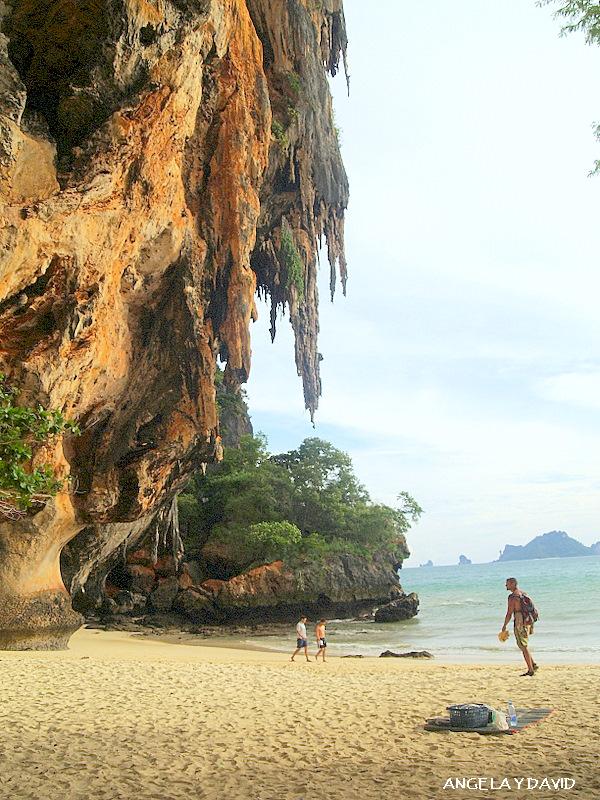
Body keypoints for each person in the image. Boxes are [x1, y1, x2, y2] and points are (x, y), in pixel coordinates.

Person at [501, 577, 538, 676]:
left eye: (507, 584)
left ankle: (530, 670)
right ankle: (533, 664)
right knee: (523, 644)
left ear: (513, 584)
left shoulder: (513, 597)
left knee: (523, 646)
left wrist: (504, 626)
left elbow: (509, 613)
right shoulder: (523, 593)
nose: (506, 585)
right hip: (527, 621)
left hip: (519, 622)